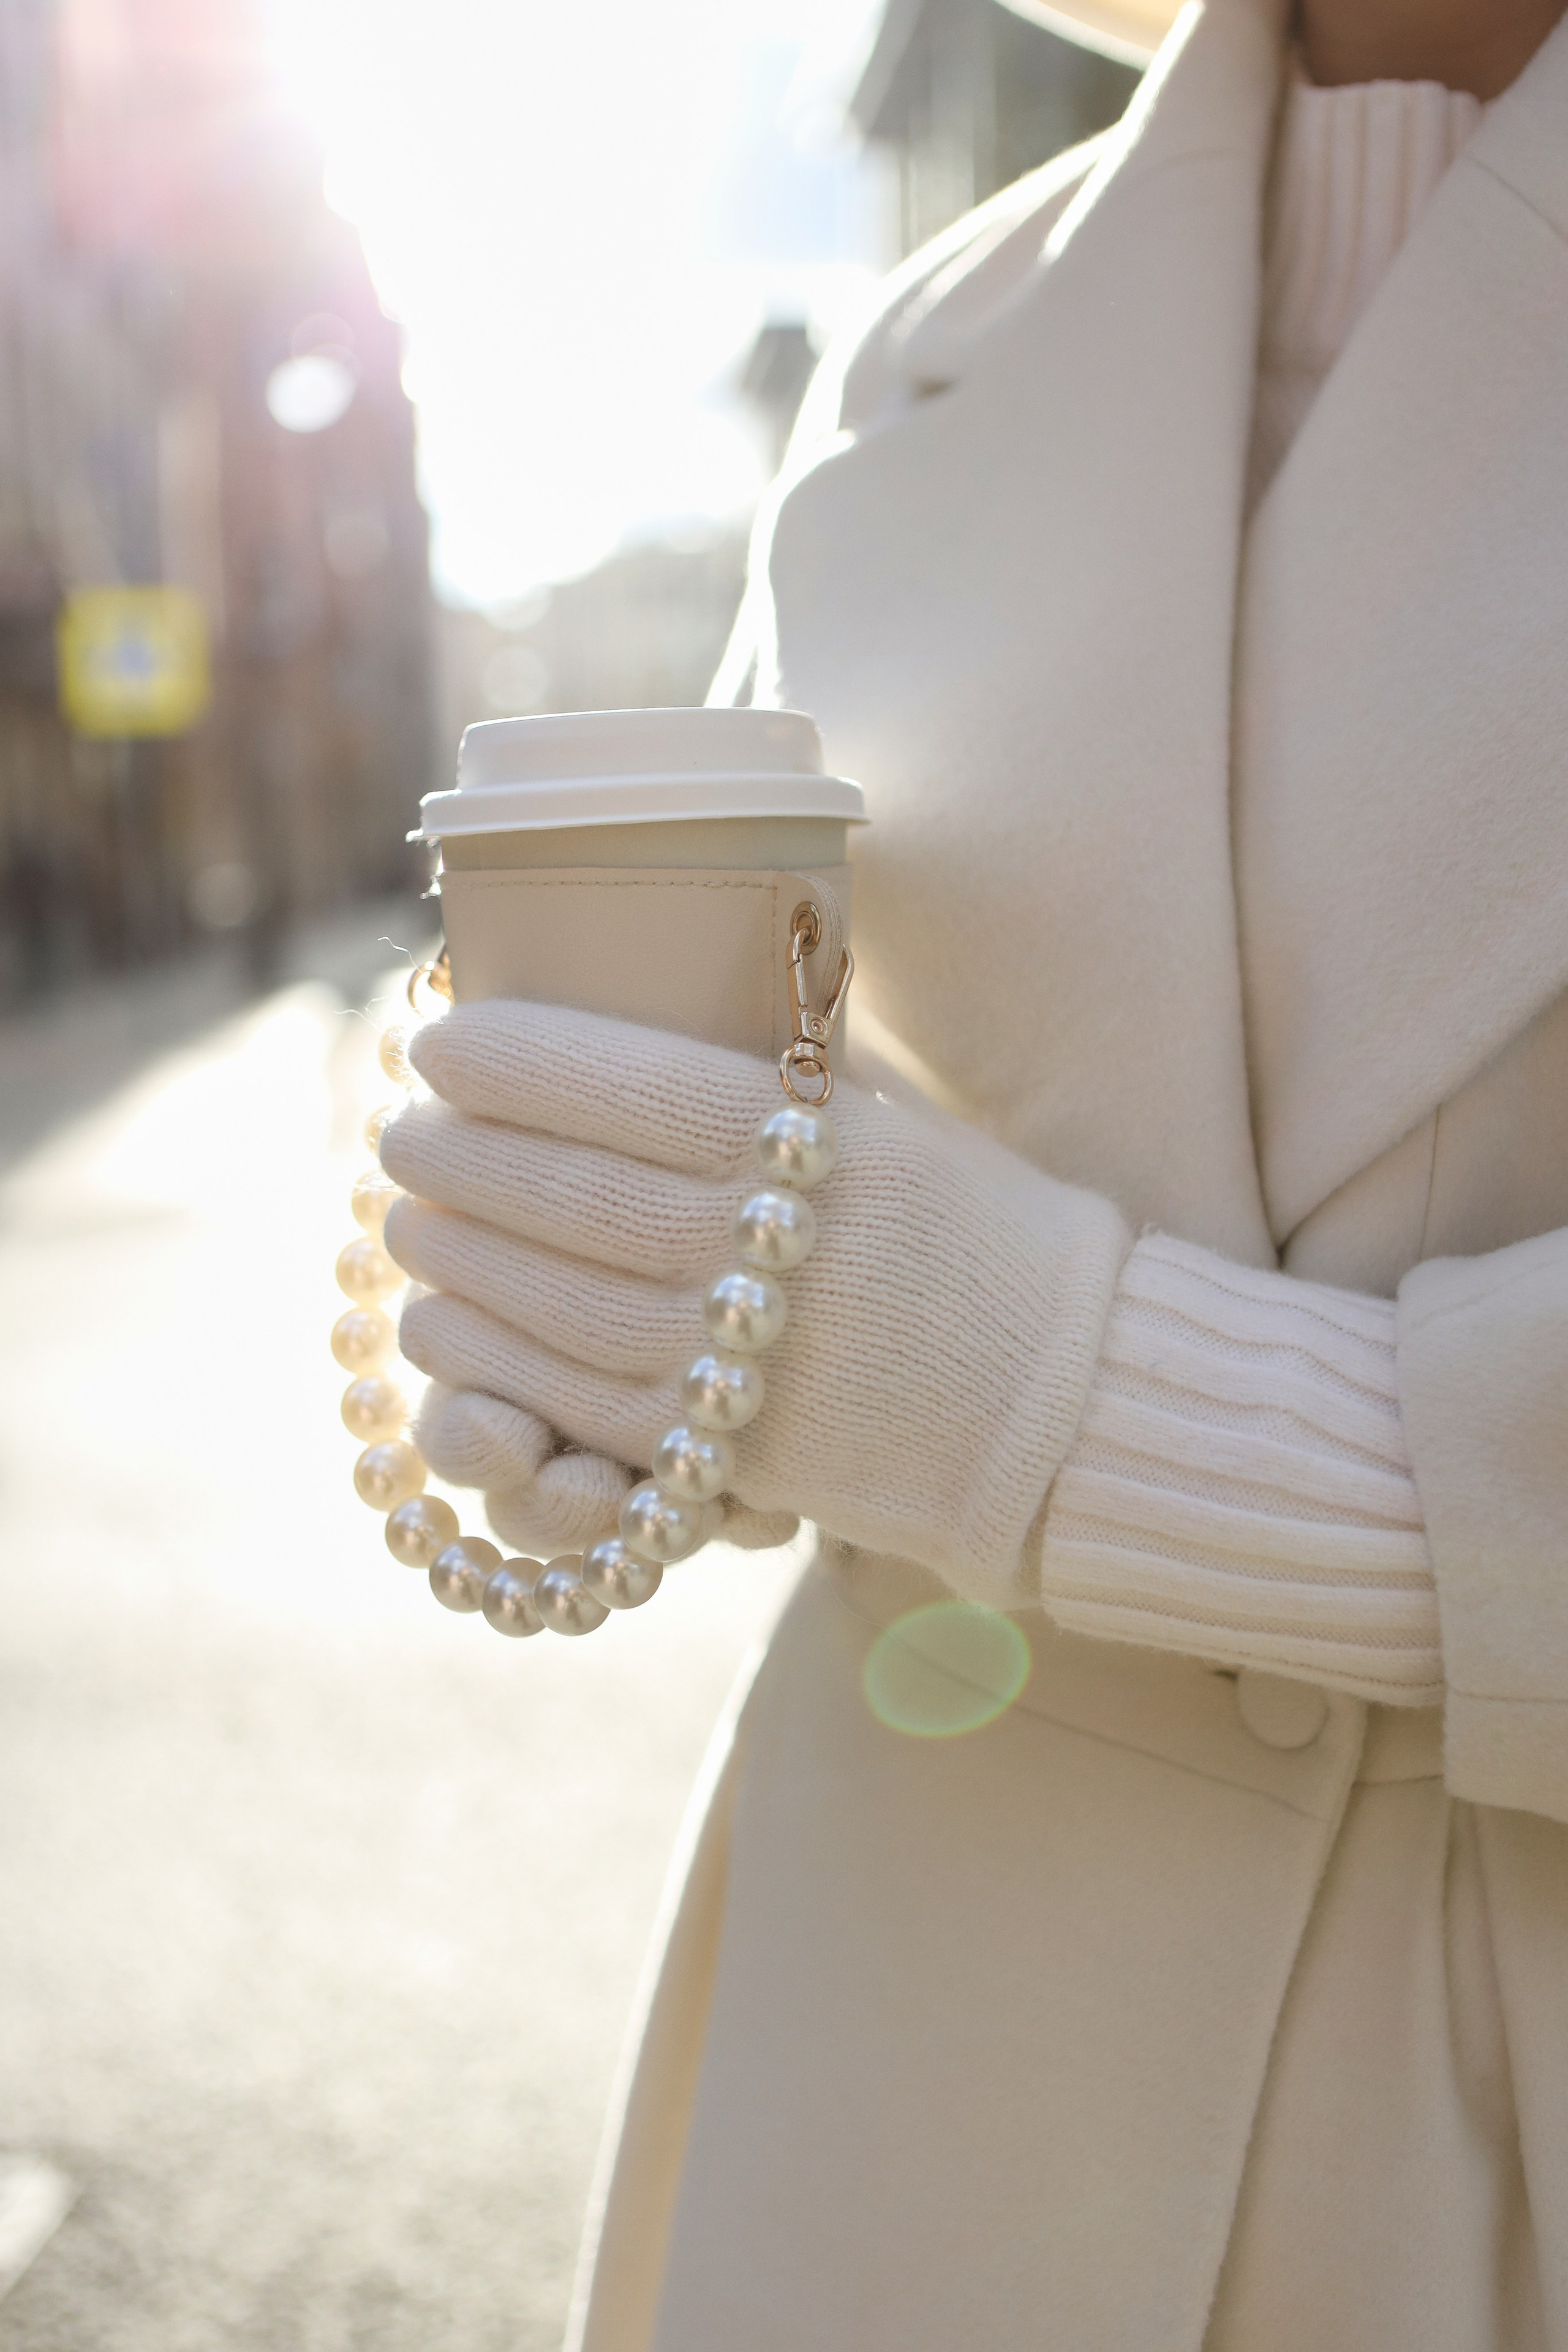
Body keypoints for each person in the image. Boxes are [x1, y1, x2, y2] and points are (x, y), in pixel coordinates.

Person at [379, 0, 1568, 2340]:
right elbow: (838, 1110)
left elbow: (902, 1312)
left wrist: (1050, 1403)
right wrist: (625, 1328)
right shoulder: (946, 330)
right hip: (891, 2094)